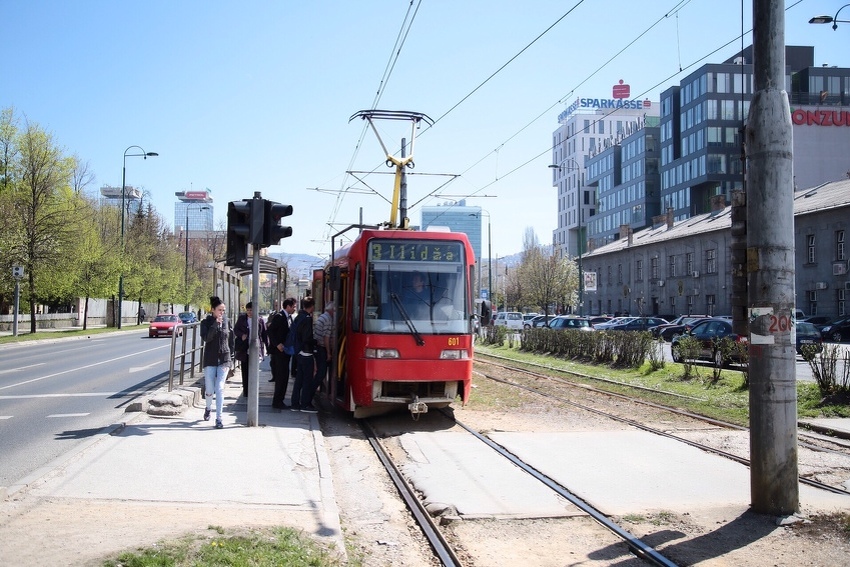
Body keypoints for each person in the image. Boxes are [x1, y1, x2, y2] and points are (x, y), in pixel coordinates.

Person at [199, 296, 234, 429]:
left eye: (223, 310)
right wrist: (215, 325)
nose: (222, 313)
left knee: (219, 388)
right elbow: (206, 338)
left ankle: (219, 418)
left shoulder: (227, 321)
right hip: (210, 359)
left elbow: (231, 339)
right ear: (213, 310)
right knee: (209, 389)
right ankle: (208, 407)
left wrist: (231, 355)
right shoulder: (206, 322)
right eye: (219, 310)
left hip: (224, 359)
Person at [267, 297, 297, 409]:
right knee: (281, 377)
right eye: (293, 306)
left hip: (286, 351)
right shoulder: (279, 317)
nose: (294, 309)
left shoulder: (289, 317)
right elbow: (270, 331)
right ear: (288, 306)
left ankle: (280, 400)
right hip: (279, 352)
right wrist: (277, 344)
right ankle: (277, 401)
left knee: (284, 376)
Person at [233, 302, 267, 398]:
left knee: (255, 370)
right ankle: (246, 391)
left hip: (256, 349)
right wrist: (241, 335)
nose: (249, 312)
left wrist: (268, 348)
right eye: (248, 310)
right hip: (245, 349)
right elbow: (236, 330)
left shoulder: (260, 320)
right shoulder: (242, 319)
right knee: (245, 370)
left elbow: (264, 334)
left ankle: (254, 389)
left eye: (251, 310)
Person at [289, 297, 317, 412]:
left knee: (299, 379)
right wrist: (315, 342)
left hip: (298, 352)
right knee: (307, 380)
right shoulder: (307, 319)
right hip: (306, 353)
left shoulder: (298, 317)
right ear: (312, 306)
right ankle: (305, 404)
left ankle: (295, 404)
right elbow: (306, 338)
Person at [313, 301, 334, 396]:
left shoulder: (322, 317)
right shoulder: (328, 319)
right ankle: (311, 392)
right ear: (332, 310)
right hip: (321, 348)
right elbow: (326, 337)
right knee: (321, 372)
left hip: (318, 348)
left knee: (320, 372)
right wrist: (329, 352)